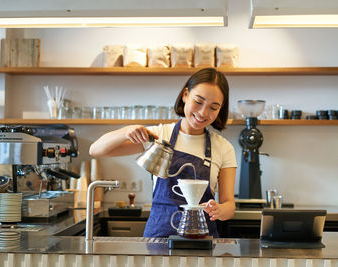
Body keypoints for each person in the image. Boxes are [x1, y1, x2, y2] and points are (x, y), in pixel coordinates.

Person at [89, 67, 237, 238]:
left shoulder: (223, 147)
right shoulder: (159, 136)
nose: (203, 112)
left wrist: (219, 210)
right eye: (198, 101)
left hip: (201, 242)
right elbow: (96, 150)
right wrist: (127, 131)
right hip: (158, 239)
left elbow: (230, 207)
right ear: (185, 95)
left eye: (213, 107)